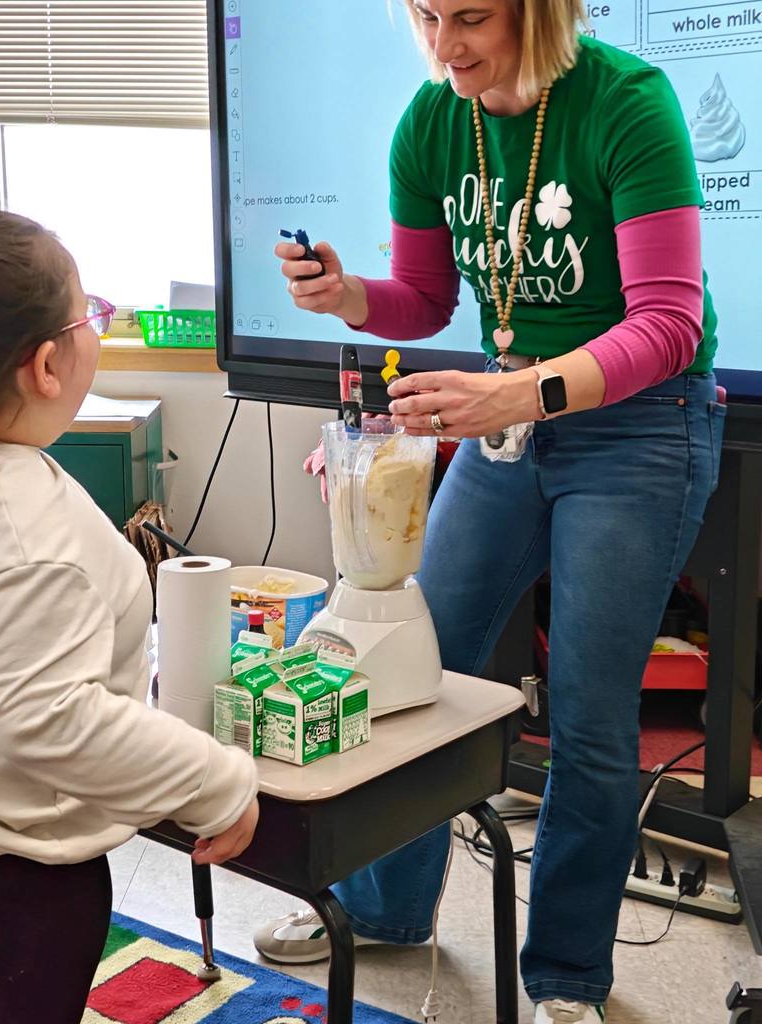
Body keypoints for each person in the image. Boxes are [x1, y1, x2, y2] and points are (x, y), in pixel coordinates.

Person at [259, 2, 726, 1021]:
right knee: (415, 662)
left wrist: (520, 392)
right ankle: (385, 911)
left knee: (593, 722)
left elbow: (671, 322)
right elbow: (425, 302)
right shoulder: (433, 122)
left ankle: (565, 979)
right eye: (425, 14)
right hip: (511, 415)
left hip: (641, 426)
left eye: (471, 16)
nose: (444, 44)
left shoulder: (628, 103)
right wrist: (348, 296)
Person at [0, 210, 260, 1024]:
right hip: (21, 894)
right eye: (91, 315)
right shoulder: (36, 532)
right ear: (47, 364)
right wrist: (221, 782)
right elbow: (48, 718)